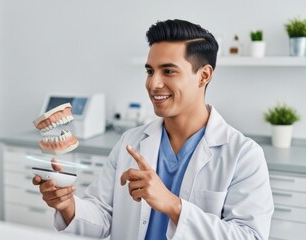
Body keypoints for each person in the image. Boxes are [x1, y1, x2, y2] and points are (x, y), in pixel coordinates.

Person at [32, 19, 274, 240]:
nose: (153, 83)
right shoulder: (131, 142)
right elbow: (103, 215)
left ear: (203, 76)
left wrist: (173, 205)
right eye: (150, 71)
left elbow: (250, 236)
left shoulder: (243, 154)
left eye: (168, 71)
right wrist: (67, 205)